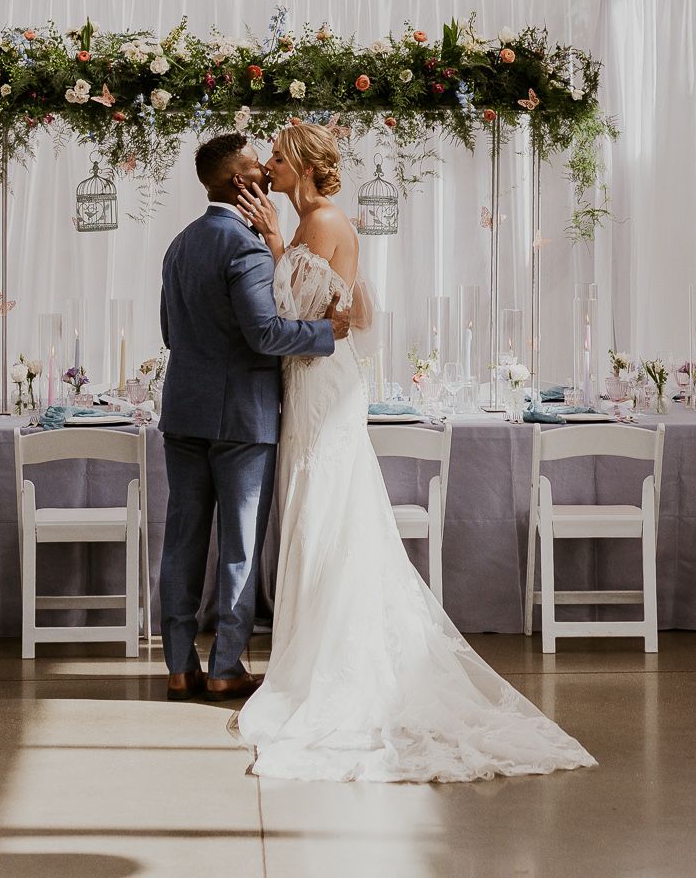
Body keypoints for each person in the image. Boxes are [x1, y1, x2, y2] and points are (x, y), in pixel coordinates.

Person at [231, 121, 596, 783]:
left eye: (278, 158)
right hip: (315, 381)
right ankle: (307, 655)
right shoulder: (317, 223)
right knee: (322, 509)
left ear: (305, 165)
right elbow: (347, 314)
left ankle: (324, 669)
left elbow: (297, 318)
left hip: (318, 383)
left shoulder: (321, 221)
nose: (269, 168)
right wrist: (286, 254)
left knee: (325, 511)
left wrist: (276, 243)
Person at [157, 131, 351, 703]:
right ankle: (225, 667)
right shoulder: (241, 247)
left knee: (183, 542)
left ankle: (177, 665)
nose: (267, 172)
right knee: (240, 546)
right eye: (257, 167)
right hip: (243, 419)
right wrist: (328, 333)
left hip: (184, 413)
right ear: (240, 182)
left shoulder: (180, 244)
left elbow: (170, 333)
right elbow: (266, 334)